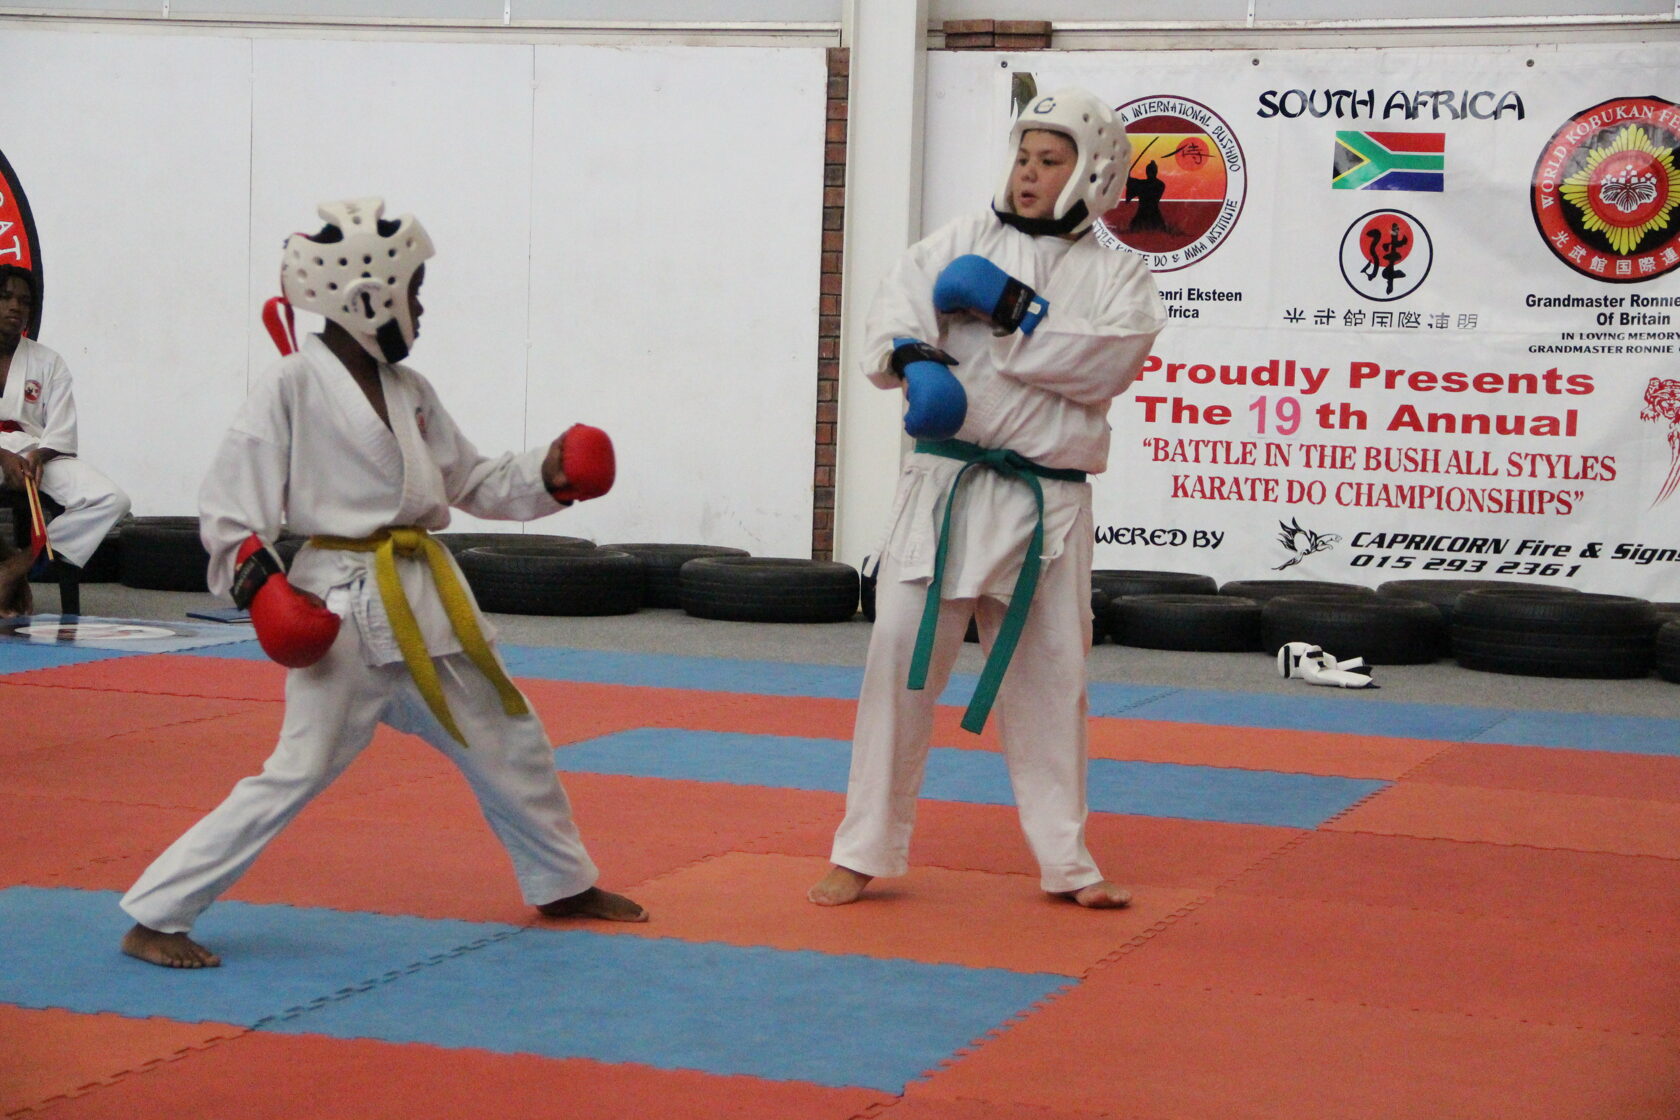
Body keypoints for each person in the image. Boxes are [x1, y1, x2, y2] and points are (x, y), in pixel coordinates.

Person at [120, 198, 645, 968]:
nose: (421, 309)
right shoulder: (289, 386)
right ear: (367, 296)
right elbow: (230, 509)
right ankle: (157, 915)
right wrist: (264, 591)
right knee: (296, 771)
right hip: (340, 615)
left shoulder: (410, 390)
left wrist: (550, 472)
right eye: (414, 292)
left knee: (513, 739)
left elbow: (471, 480)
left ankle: (562, 882)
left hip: (425, 606)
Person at [808, 89, 1166, 910]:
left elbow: (1106, 366)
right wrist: (914, 359)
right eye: (1024, 158)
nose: (1030, 174)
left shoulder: (1122, 274)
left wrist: (1010, 312)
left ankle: (1067, 862)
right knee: (898, 664)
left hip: (1047, 505)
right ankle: (862, 850)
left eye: (1051, 161)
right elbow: (891, 316)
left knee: (1052, 682)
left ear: (1094, 173)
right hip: (946, 488)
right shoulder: (959, 242)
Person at [0, 264, 132, 616]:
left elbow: (60, 428)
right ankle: (6, 559)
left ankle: (18, 567)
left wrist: (39, 455)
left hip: (33, 453)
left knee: (111, 499)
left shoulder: (48, 361)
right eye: (6, 297)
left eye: (24, 301)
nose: (15, 306)